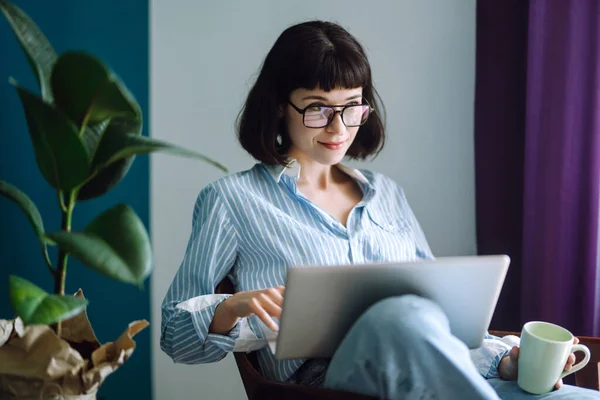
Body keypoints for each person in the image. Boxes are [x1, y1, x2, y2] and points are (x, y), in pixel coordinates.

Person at [160, 21, 599, 399]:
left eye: (352, 108)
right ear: (280, 105)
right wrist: (235, 306)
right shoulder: (231, 200)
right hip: (327, 384)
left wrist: (503, 360)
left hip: (431, 379)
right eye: (318, 109)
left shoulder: (386, 194)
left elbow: (440, 315)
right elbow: (174, 335)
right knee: (397, 314)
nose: (338, 128)